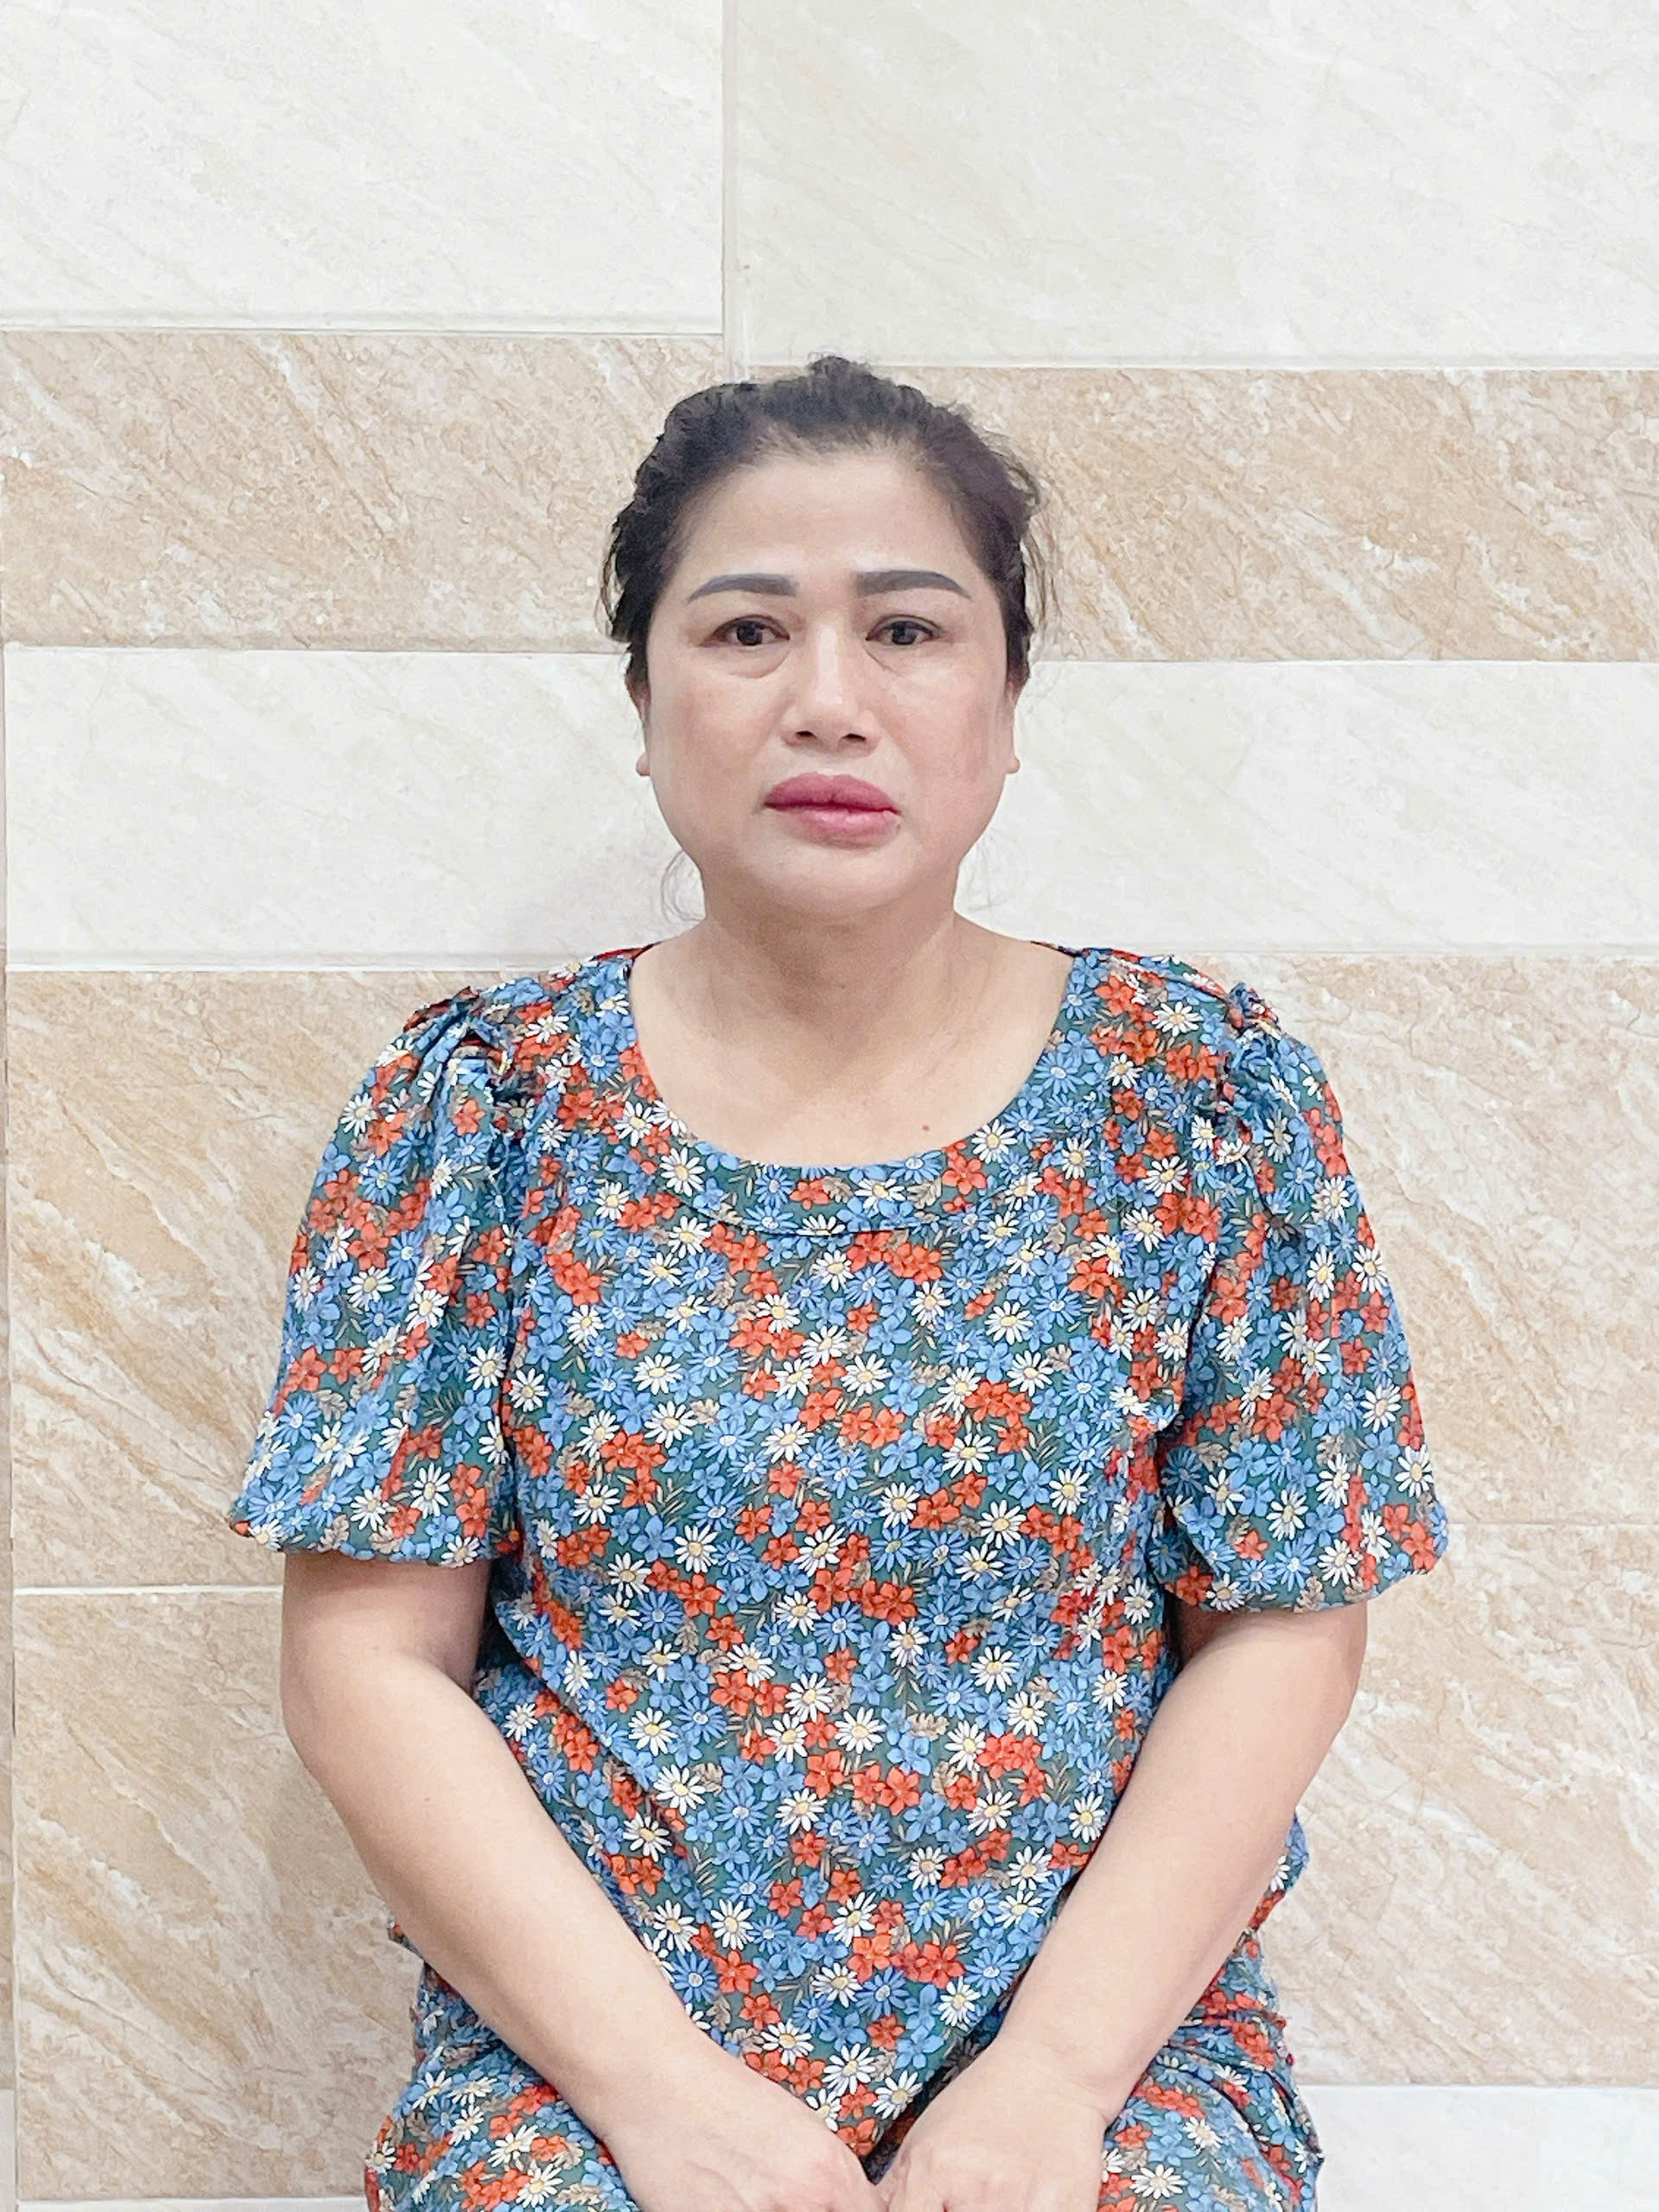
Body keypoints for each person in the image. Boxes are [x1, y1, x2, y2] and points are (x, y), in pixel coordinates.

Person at [225, 354, 1450, 2212]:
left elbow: (1284, 1624)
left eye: (907, 630)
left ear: (1008, 703)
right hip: (588, 2065)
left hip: (1105, 2054)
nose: (827, 700)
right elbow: (367, 1665)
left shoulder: (1200, 1096)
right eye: (744, 631)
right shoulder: (481, 1110)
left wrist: (1051, 2080)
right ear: (644, 707)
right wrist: (661, 2094)